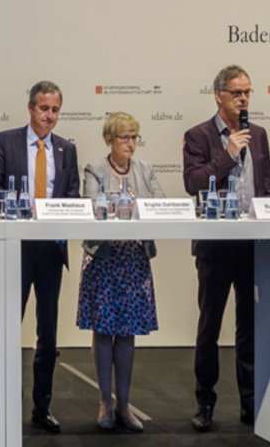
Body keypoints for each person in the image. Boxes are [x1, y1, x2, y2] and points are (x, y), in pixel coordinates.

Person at [0, 80, 79, 433]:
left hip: (51, 250)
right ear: (30, 108)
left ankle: (42, 406)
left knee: (48, 334)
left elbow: (72, 195)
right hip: (16, 249)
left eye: (55, 110)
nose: (49, 116)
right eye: (43, 109)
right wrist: (17, 207)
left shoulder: (67, 149)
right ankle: (4, 403)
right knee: (9, 328)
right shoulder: (6, 141)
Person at [183, 65, 270, 433]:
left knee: (249, 327)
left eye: (248, 92)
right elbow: (193, 183)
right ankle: (204, 402)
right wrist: (228, 153)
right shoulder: (199, 135)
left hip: (251, 245)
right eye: (237, 93)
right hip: (215, 246)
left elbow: (266, 187)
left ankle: (251, 404)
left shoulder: (260, 135)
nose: (244, 99)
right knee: (210, 326)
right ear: (218, 95)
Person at [77, 112, 165, 433]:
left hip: (133, 260)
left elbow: (159, 204)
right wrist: (127, 207)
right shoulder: (95, 169)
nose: (130, 143)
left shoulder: (145, 169)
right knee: (103, 331)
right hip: (105, 258)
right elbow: (91, 207)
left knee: (127, 333)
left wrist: (126, 208)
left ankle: (124, 405)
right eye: (124, 137)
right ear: (109, 140)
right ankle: (104, 401)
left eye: (134, 137)